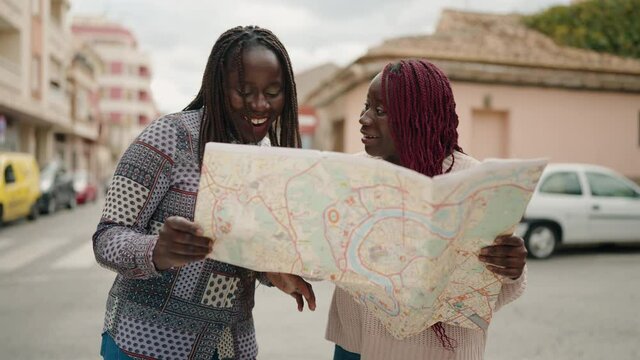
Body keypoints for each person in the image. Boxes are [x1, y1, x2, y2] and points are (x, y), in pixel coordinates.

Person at [93, 26, 316, 360]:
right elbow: (107, 237)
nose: (260, 104)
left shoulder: (271, 158)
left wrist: (273, 273)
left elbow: (244, 248)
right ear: (218, 88)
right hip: (146, 345)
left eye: (273, 92)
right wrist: (158, 250)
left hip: (229, 346)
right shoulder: (169, 137)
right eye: (244, 91)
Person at [326, 59, 528, 360]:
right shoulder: (352, 175)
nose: (364, 119)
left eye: (380, 111)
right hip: (356, 346)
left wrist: (512, 267)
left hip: (438, 352)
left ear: (417, 118)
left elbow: (491, 288)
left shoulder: (473, 183)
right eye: (366, 106)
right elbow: (326, 254)